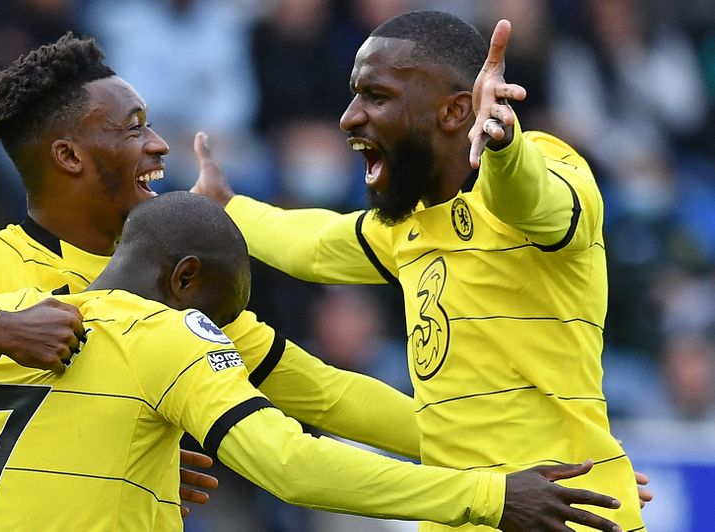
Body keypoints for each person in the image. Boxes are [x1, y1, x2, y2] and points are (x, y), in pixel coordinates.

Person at [0, 33, 620, 530]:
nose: (159, 146)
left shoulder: (177, 291)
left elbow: (330, 397)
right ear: (68, 157)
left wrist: (523, 456)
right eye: (135, 130)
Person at [0, 191, 621, 531]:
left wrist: (106, 454)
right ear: (183, 280)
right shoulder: (170, 337)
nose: (219, 332)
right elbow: (290, 463)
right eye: (218, 315)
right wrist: (492, 496)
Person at [191, 11, 645, 532]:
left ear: (456, 111)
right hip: (463, 515)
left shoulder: (553, 166)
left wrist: (504, 145)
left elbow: (531, 201)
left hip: (570, 516)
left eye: (376, 97)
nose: (349, 117)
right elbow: (311, 244)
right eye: (355, 94)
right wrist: (227, 209)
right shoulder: (406, 227)